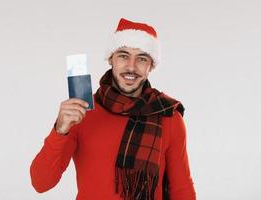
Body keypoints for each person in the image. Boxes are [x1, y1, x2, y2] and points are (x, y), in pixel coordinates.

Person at [30, 18, 196, 200]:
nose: (131, 67)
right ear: (111, 59)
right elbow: (41, 183)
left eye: (142, 58)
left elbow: (182, 190)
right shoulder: (82, 111)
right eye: (123, 56)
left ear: (151, 66)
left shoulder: (168, 115)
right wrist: (60, 130)